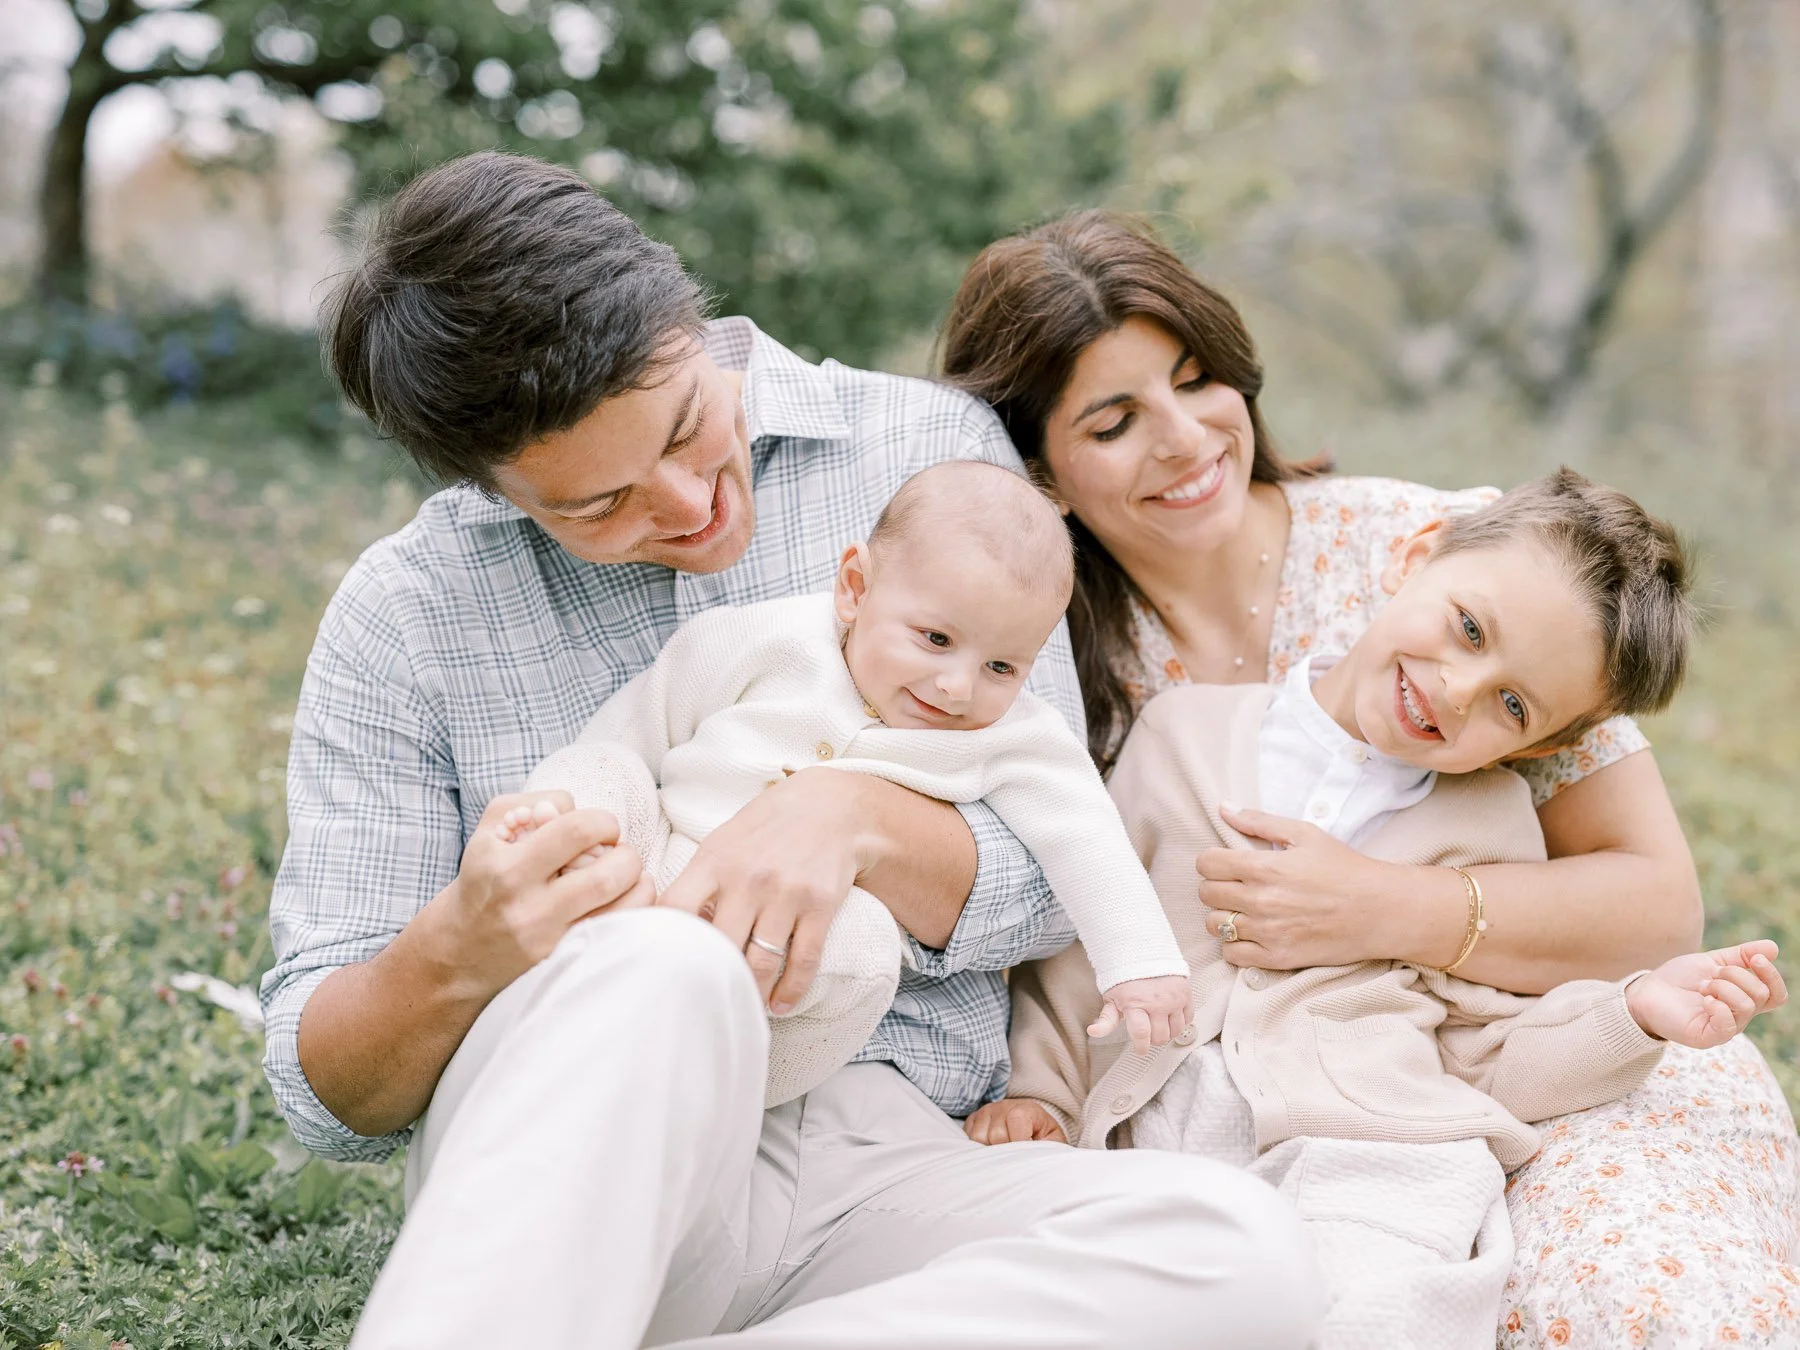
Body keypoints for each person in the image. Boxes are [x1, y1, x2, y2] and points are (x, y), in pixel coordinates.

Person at [261, 153, 1322, 1350]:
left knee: (1240, 1259)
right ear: (496, 491)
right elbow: (326, 1098)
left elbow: (1048, 879)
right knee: (670, 967)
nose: (683, 504)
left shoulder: (929, 452)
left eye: (685, 428)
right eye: (597, 507)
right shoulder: (408, 613)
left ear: (692, 318)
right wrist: (456, 953)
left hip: (895, 1168)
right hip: (599, 1156)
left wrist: (850, 818)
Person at [938, 210, 1800, 1346]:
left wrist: (1383, 909)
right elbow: (1066, 935)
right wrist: (1043, 1095)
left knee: (1632, 1299)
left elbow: (1655, 912)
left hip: (1492, 1079)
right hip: (1192, 1116)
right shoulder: (1041, 642)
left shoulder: (1440, 549)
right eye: (1114, 419)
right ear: (1039, 466)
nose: (1189, 440)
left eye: (1200, 381)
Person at [510, 460, 1190, 1108]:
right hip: (656, 866)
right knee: (603, 769)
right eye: (934, 639)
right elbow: (642, 720)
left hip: (778, 963)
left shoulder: (1018, 738)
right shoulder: (763, 639)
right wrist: (587, 813)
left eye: (1003, 668)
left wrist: (1143, 966)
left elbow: (1087, 836)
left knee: (865, 947)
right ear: (855, 589)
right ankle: (542, 855)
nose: (958, 687)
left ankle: (696, 1083)